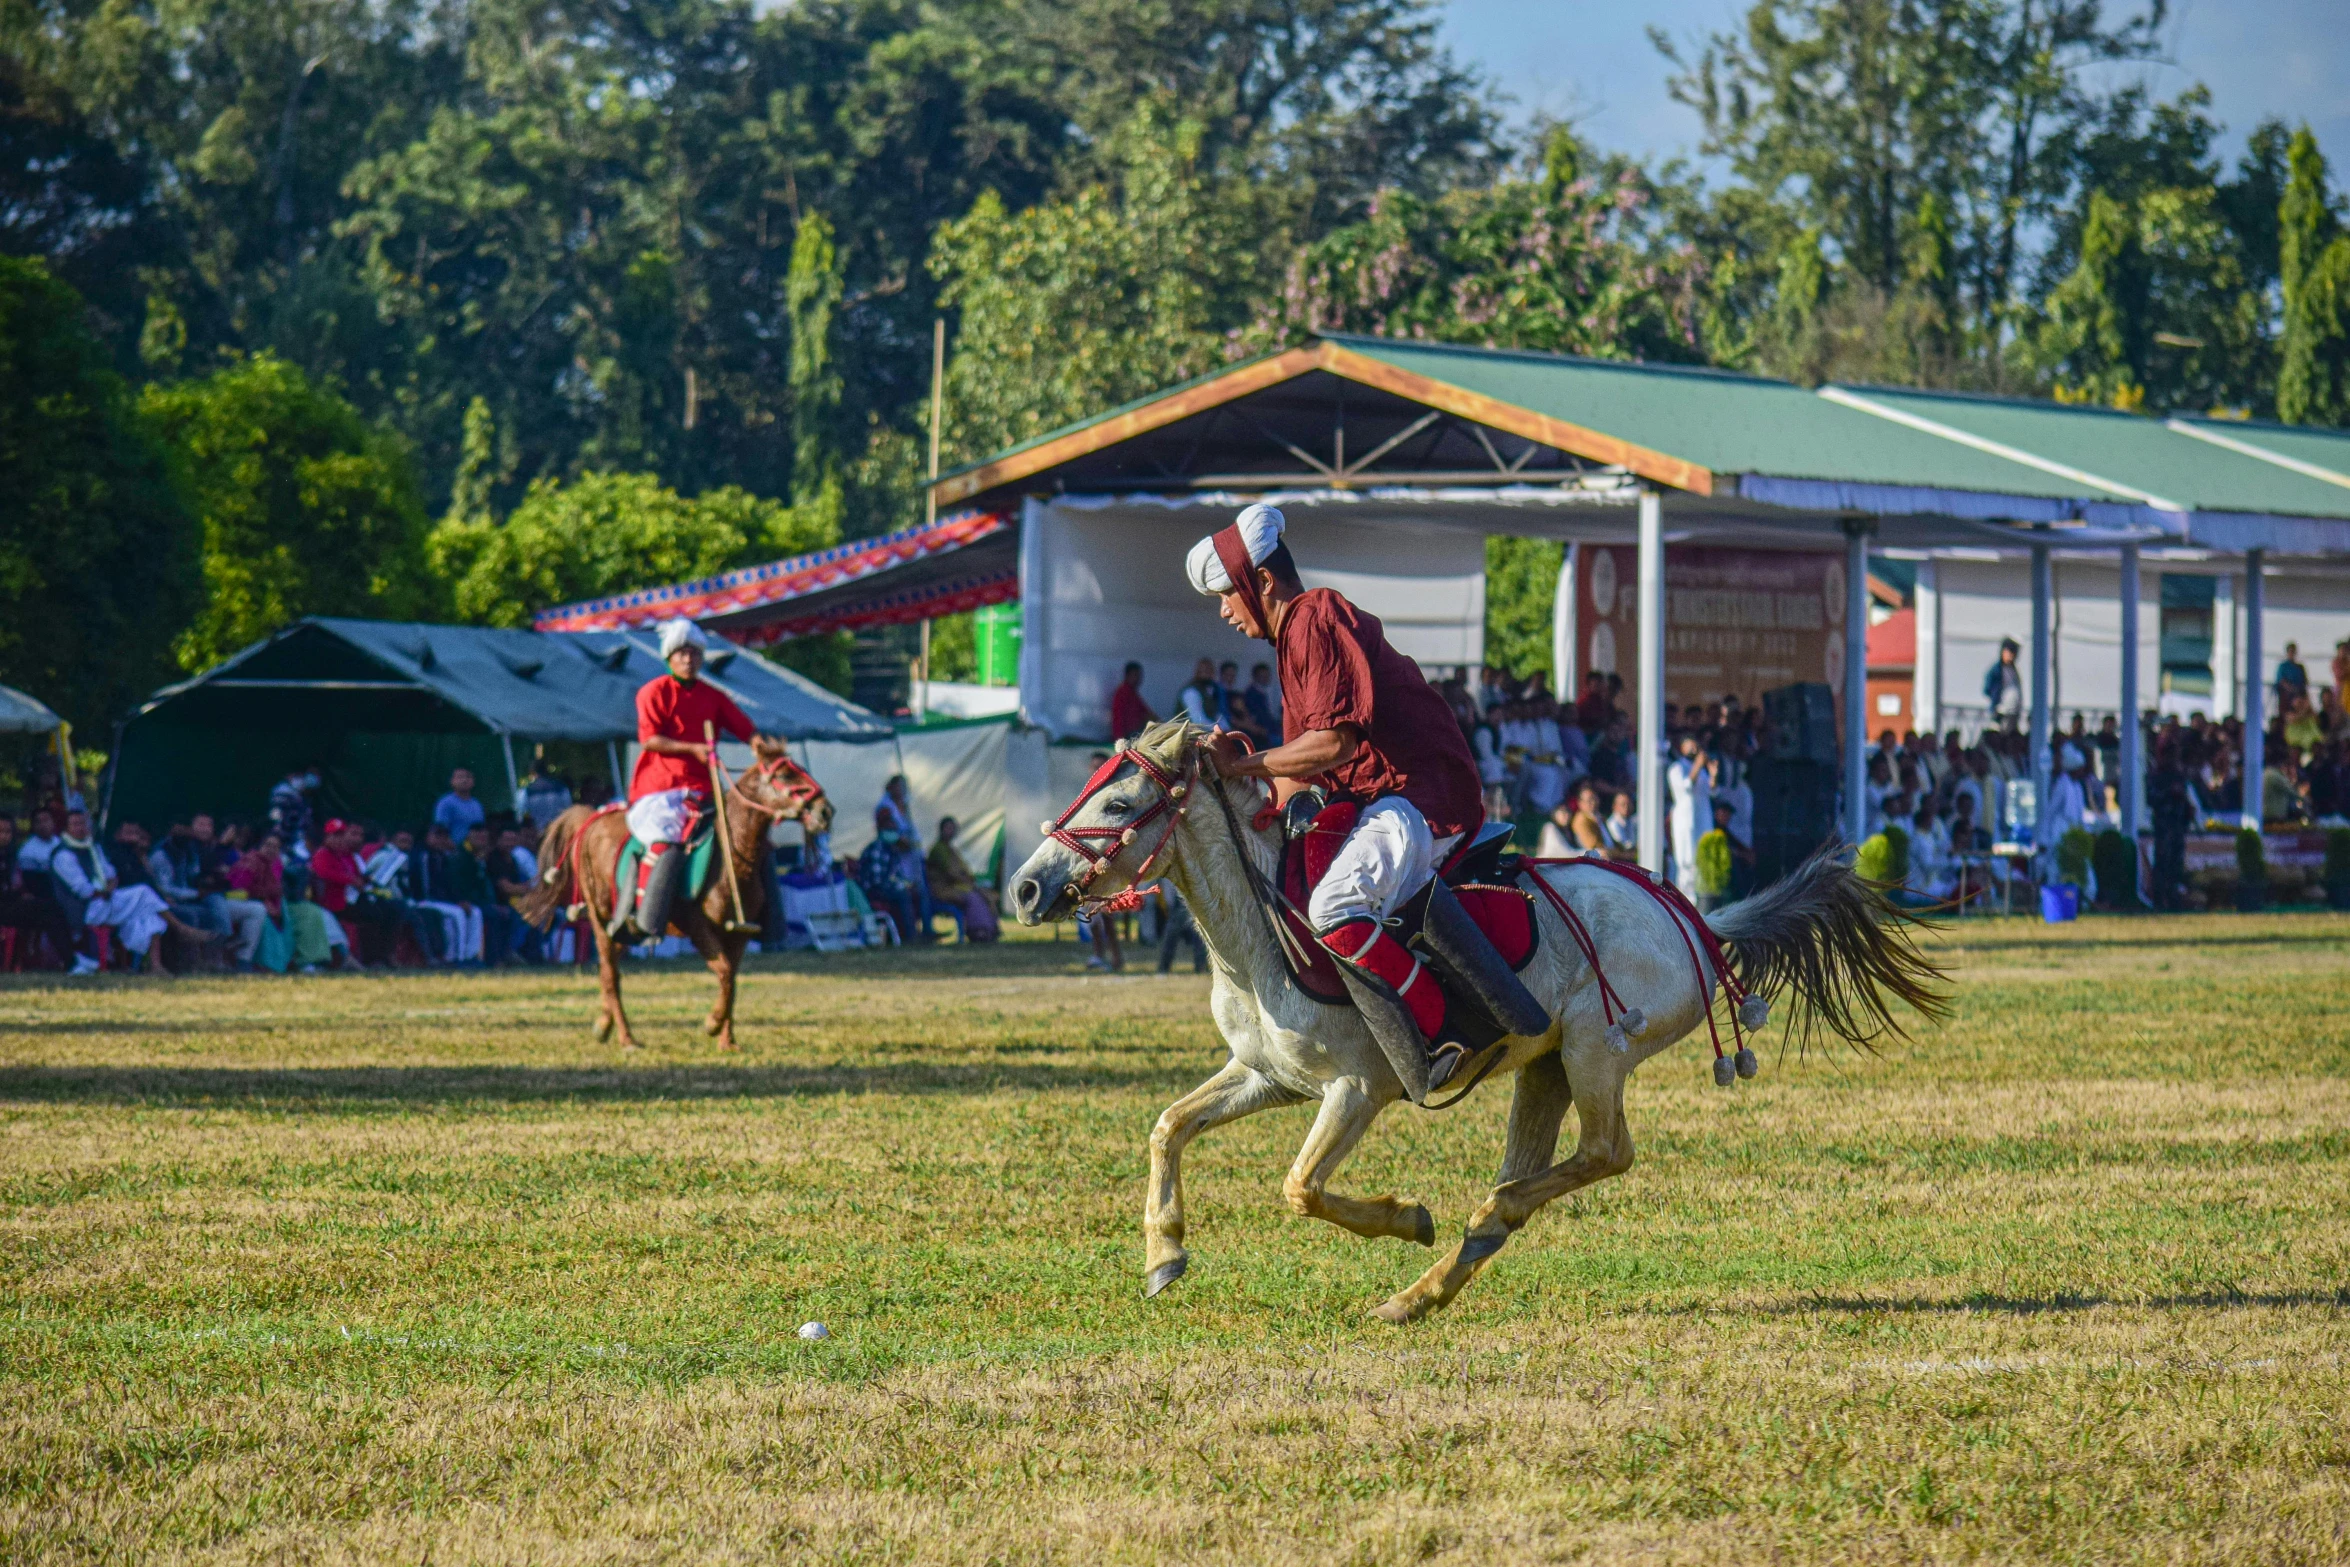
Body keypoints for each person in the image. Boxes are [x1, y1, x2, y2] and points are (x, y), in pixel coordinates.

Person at [1187, 503, 1532, 1098]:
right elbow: (1300, 774)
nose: (1222, 610)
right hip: (1385, 799)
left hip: (1421, 795)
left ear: (1262, 581)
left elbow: (1331, 744)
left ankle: (1441, 1036)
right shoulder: (1292, 637)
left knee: (1334, 905)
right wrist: (1229, 787)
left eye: (1226, 593)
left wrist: (1240, 764)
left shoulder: (1315, 616)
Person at [614, 618, 760, 940]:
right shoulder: (652, 692)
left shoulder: (714, 696)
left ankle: (767, 922)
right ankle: (642, 916)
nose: (688, 659)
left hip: (706, 790)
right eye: (681, 653)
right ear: (669, 658)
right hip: (661, 790)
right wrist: (692, 748)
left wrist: (759, 745)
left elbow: (744, 727)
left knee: (749, 839)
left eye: (694, 653)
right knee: (668, 842)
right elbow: (650, 739)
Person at [404, 823, 480, 963]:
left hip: (442, 901)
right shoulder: (422, 855)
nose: (441, 839)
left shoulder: (443, 856)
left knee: (475, 912)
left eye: (444, 836)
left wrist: (459, 900)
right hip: (424, 900)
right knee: (457, 914)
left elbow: (450, 884)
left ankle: (471, 956)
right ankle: (458, 958)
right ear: (427, 836)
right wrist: (452, 902)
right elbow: (424, 888)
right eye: (437, 835)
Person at [924, 816, 1000, 942]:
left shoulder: (952, 850)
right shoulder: (938, 849)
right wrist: (969, 882)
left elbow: (964, 871)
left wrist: (970, 881)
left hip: (958, 887)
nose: (950, 831)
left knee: (986, 895)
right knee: (974, 897)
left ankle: (991, 930)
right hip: (942, 890)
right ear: (941, 830)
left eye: (953, 828)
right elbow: (951, 873)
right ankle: (978, 932)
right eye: (948, 828)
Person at [856, 809, 920, 944]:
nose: (893, 833)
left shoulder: (891, 850)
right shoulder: (877, 849)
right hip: (874, 891)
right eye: (889, 829)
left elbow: (895, 876)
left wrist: (906, 884)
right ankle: (910, 938)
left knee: (918, 892)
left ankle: (920, 931)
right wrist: (901, 887)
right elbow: (877, 881)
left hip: (888, 887)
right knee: (903, 895)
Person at [1666, 733, 1713, 898]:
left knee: (1702, 861)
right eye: (1690, 745)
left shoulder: (1702, 771)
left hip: (1703, 819)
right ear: (1682, 747)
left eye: (1696, 744)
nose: (1694, 748)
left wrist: (1713, 773)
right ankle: (1685, 900)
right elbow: (1685, 787)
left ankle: (1701, 900)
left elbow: (1712, 792)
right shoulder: (1676, 768)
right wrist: (1699, 765)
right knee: (1686, 861)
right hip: (1686, 821)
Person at [269, 765, 321, 859]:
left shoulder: (302, 797)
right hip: (285, 848)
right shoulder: (282, 795)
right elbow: (277, 822)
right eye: (298, 776)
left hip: (297, 845)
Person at [433, 768, 487, 844]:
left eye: (468, 777)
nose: (464, 780)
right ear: (452, 781)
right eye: (460, 777)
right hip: (454, 851)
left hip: (475, 852)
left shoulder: (477, 804)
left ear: (473, 782)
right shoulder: (446, 803)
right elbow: (440, 831)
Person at [521, 756, 573, 832]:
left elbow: (521, 815)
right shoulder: (562, 789)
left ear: (532, 772)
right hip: (556, 833)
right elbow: (568, 811)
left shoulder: (526, 792)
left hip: (535, 834)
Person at [1109, 661, 1156, 741]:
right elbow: (1118, 719)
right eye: (1135, 675)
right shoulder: (1122, 693)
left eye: (1139, 676)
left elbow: (1146, 713)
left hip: (1133, 735)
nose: (1138, 679)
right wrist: (1120, 740)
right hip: (1125, 738)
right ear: (1127, 675)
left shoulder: (1133, 694)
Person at [1177, 658, 1226, 729]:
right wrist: (1219, 731)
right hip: (1188, 735)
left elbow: (1217, 715)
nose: (1207, 674)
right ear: (1197, 672)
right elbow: (1198, 721)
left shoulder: (1212, 690)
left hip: (1208, 733)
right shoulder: (1191, 692)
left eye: (1210, 671)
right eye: (1204, 671)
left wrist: (1227, 729)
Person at [1984, 638, 2023, 725]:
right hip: (2000, 711)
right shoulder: (1996, 670)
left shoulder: (2014, 670)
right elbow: (1987, 689)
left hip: (2014, 710)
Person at [2277, 641, 2309, 707]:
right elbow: (2282, 681)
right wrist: (2292, 689)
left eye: (2293, 652)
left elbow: (2305, 682)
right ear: (2287, 653)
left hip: (2300, 694)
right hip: (2287, 695)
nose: (2292, 653)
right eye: (2290, 651)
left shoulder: (2300, 667)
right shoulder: (2283, 666)